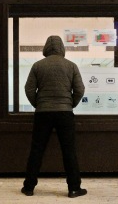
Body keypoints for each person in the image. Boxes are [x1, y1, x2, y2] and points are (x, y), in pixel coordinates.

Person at [21, 35, 87, 198]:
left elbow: (29, 89)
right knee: (69, 151)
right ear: (62, 48)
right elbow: (80, 90)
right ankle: (74, 188)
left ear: (46, 48)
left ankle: (29, 187)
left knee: (37, 150)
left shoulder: (37, 66)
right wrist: (70, 104)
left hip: (43, 113)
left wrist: (39, 103)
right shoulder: (71, 66)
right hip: (65, 113)